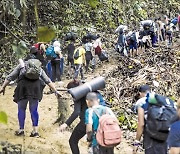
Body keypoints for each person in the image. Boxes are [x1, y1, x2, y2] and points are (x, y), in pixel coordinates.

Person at [0, 59, 60, 137]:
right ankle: (35, 132)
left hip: (23, 88)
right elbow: (47, 80)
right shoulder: (38, 68)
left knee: (21, 109)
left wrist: (3, 87)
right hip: (35, 89)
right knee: (34, 110)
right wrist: (55, 91)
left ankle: (21, 130)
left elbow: (10, 77)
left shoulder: (22, 66)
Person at [133, 85, 168, 154]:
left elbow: (141, 123)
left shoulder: (141, 102)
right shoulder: (161, 99)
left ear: (140, 93)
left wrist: (137, 142)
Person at [59, 80, 87, 154]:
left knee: (72, 141)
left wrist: (66, 124)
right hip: (99, 120)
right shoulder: (87, 88)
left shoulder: (77, 94)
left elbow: (76, 112)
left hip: (86, 121)